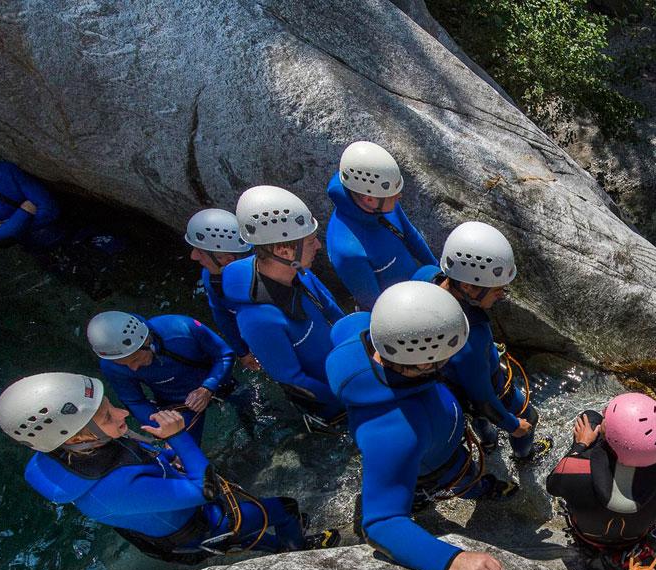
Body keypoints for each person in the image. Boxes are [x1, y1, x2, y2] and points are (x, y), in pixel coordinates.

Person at [0, 373, 334, 563]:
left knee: (249, 538)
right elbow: (205, 490)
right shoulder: (112, 489)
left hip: (181, 528)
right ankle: (299, 553)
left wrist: (167, 456)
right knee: (285, 509)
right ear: (78, 436)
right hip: (202, 526)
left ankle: (276, 551)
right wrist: (179, 437)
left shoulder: (76, 454)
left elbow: (144, 462)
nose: (123, 414)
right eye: (109, 416)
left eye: (111, 406)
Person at [326, 281, 518, 570]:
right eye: (447, 354)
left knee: (458, 473)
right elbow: (382, 523)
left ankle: (469, 487)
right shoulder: (395, 431)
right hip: (436, 466)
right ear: (425, 362)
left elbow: (341, 327)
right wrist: (452, 560)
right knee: (461, 478)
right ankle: (476, 489)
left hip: (430, 446)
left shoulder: (357, 334)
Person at [414, 221, 551, 462]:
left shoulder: (426, 277)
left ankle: (489, 443)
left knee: (479, 419)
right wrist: (513, 425)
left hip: (453, 386)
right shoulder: (472, 336)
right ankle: (524, 456)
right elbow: (484, 399)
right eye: (497, 289)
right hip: (487, 387)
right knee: (529, 418)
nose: (502, 295)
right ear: (467, 286)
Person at [546, 393, 656, 570]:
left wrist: (580, 446)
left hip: (586, 538)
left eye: (606, 418)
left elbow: (552, 485)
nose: (604, 415)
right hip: (633, 542)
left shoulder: (572, 469)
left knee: (590, 418)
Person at [222, 185, 346, 432]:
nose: (318, 246)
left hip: (344, 370)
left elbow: (334, 312)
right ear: (283, 250)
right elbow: (294, 380)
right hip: (331, 399)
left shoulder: (299, 271)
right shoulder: (258, 320)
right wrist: (347, 399)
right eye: (310, 241)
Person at [87, 310, 235, 445]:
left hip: (219, 384)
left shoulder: (180, 330)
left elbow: (224, 355)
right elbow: (135, 401)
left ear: (147, 342)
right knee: (181, 454)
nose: (133, 368)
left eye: (135, 359)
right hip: (177, 406)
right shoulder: (111, 366)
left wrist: (208, 388)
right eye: (123, 364)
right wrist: (163, 428)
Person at [326, 141, 438, 309]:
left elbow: (410, 235)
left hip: (414, 291)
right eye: (393, 196)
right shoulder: (348, 251)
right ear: (369, 199)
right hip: (397, 311)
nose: (399, 196)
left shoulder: (383, 202)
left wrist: (437, 269)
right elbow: (375, 305)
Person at [185, 208, 261, 372]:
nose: (193, 256)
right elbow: (222, 316)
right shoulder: (211, 277)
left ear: (227, 259)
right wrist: (242, 352)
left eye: (200, 252)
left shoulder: (269, 277)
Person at [0, 161, 62, 249]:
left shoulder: (3, 171)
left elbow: (49, 208)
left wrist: (12, 226)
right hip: (30, 238)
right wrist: (25, 212)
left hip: (55, 226)